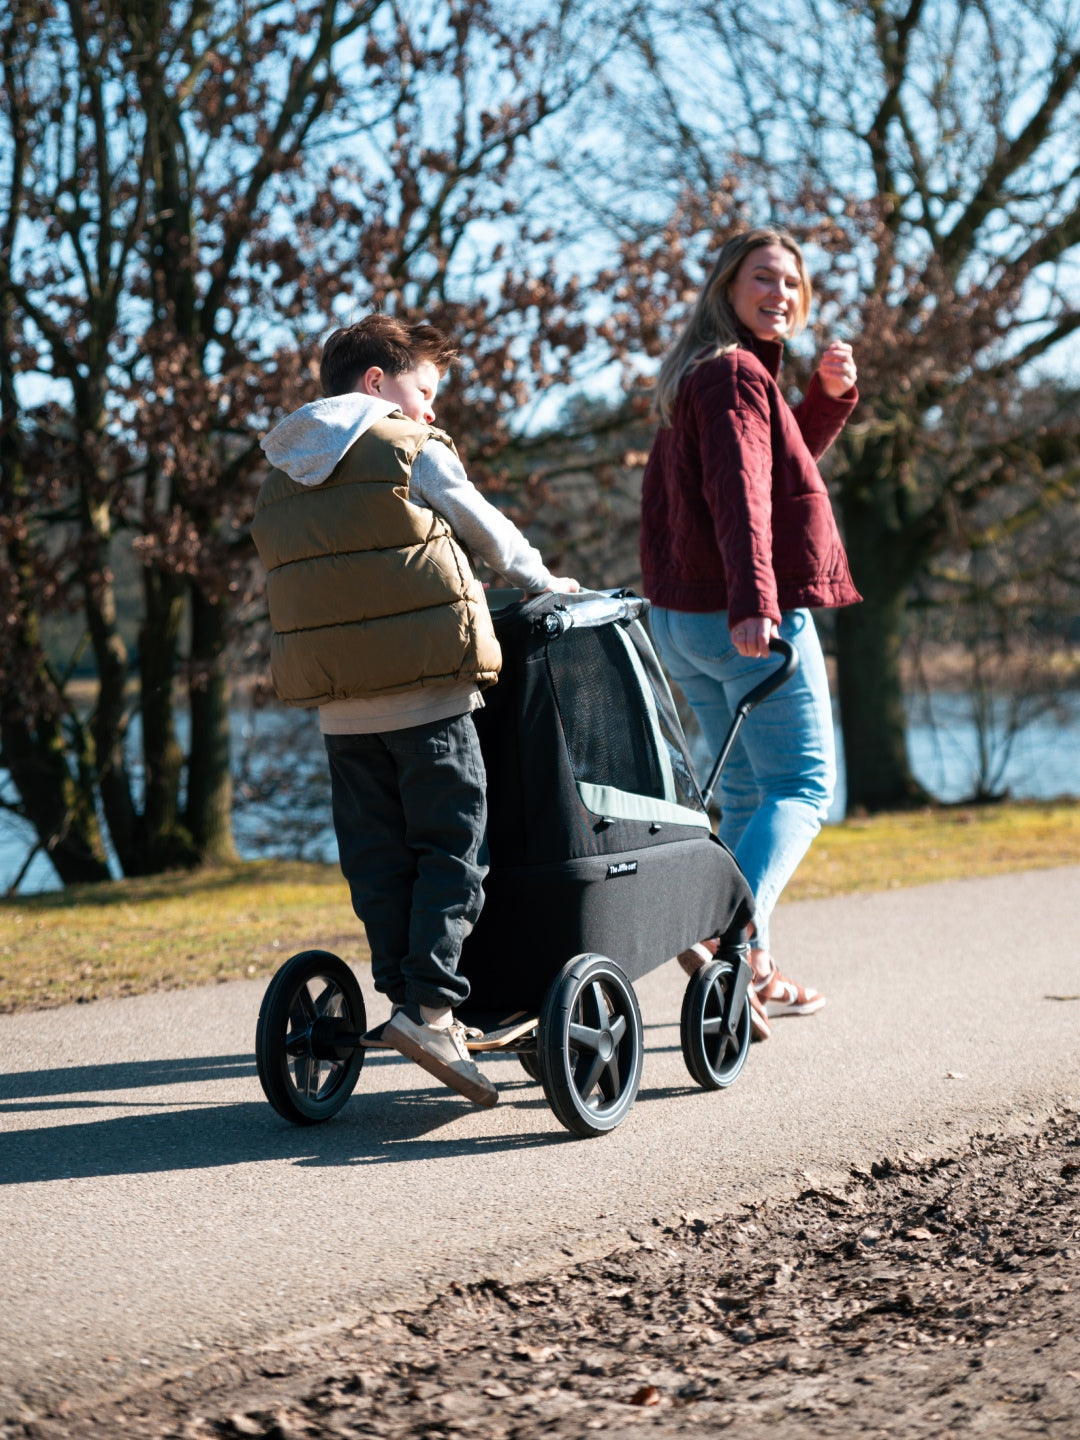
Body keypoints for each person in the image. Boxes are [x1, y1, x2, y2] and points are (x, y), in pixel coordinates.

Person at [252, 314, 578, 1107]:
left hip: (339, 707)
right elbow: (483, 528)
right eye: (423, 391)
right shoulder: (405, 445)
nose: (430, 410)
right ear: (376, 383)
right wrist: (543, 581)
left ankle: (402, 998)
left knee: (377, 860)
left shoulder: (282, 468)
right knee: (452, 852)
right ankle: (431, 1009)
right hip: (427, 696)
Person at [639, 226, 861, 1043]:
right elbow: (743, 496)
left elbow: (775, 468)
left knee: (744, 797)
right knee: (804, 788)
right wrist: (755, 601)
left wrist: (827, 400)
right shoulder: (733, 375)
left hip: (680, 620)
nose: (782, 293)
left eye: (793, 282)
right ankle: (731, 933)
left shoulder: (710, 373)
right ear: (727, 288)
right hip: (740, 616)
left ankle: (754, 963)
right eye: (764, 278)